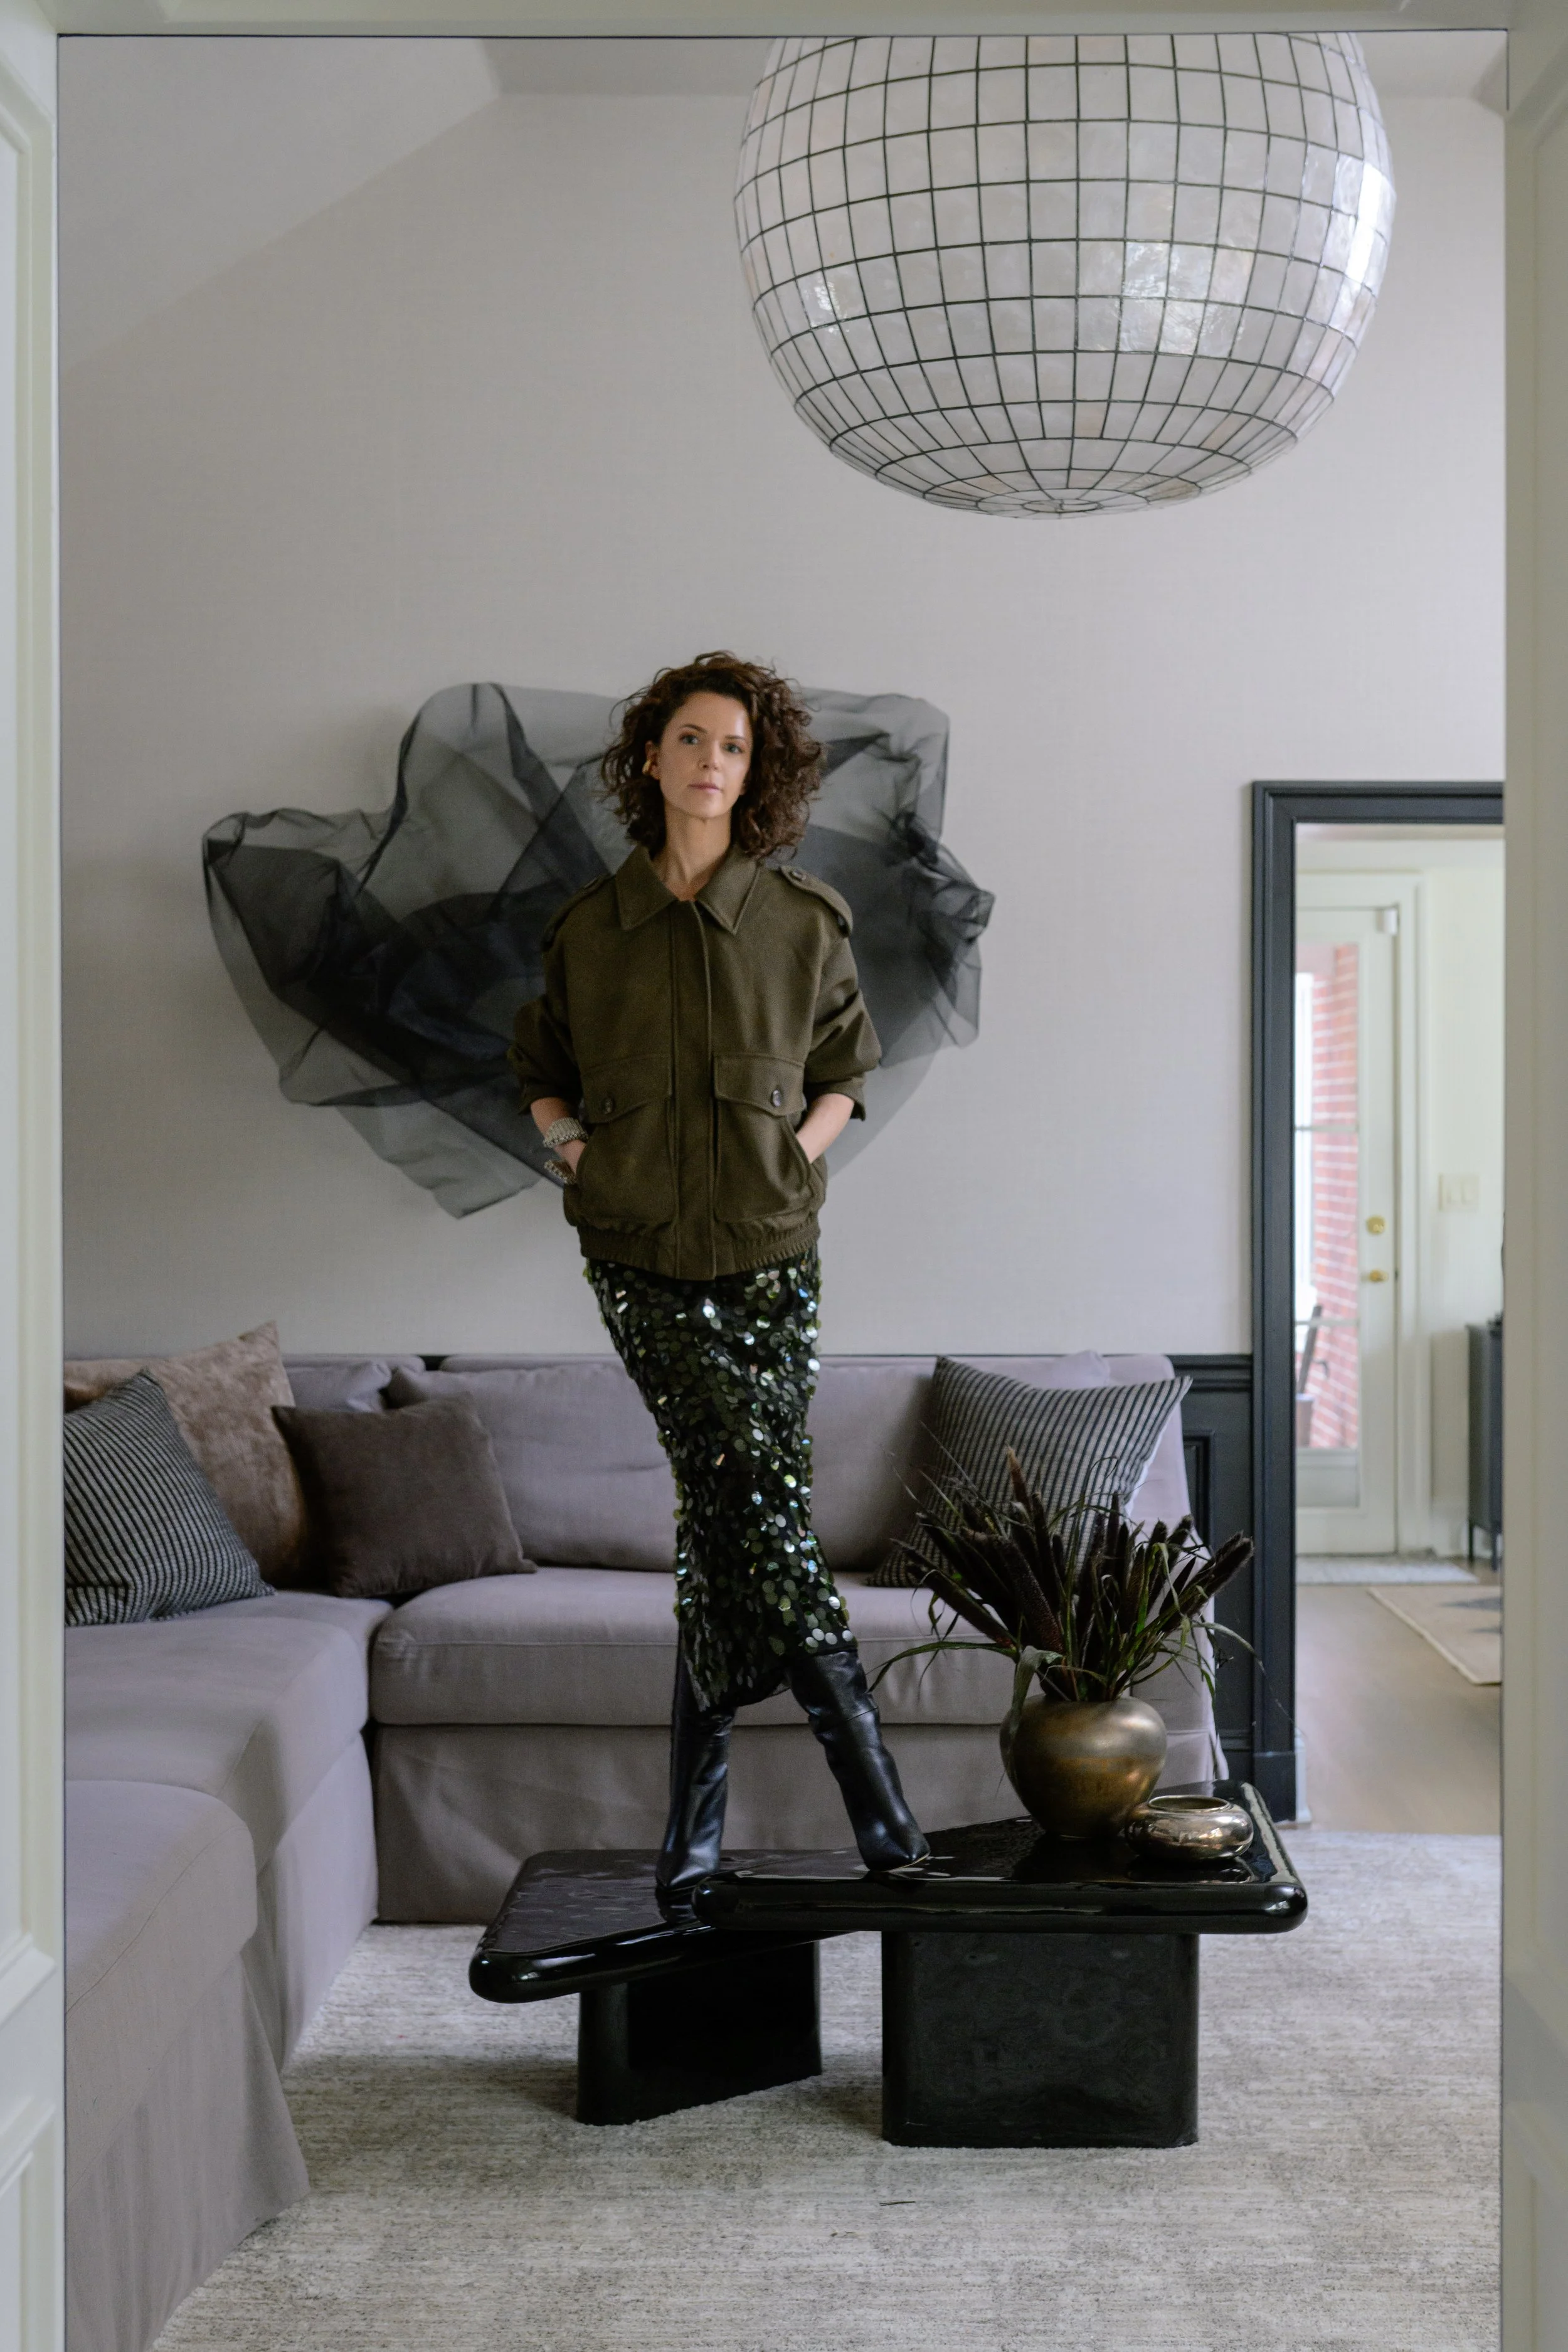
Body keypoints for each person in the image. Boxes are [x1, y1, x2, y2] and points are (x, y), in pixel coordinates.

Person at [510, 650, 930, 1920]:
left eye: (734, 748)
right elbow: (539, 1068)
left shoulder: (803, 919)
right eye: (690, 740)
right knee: (755, 1497)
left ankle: (690, 1833)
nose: (709, 763)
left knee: (726, 1517)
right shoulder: (589, 929)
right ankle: (877, 1798)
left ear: (758, 775)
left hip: (772, 1253)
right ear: (650, 757)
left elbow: (847, 1067)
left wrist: (794, 1158)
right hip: (635, 1256)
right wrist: (576, 1150)